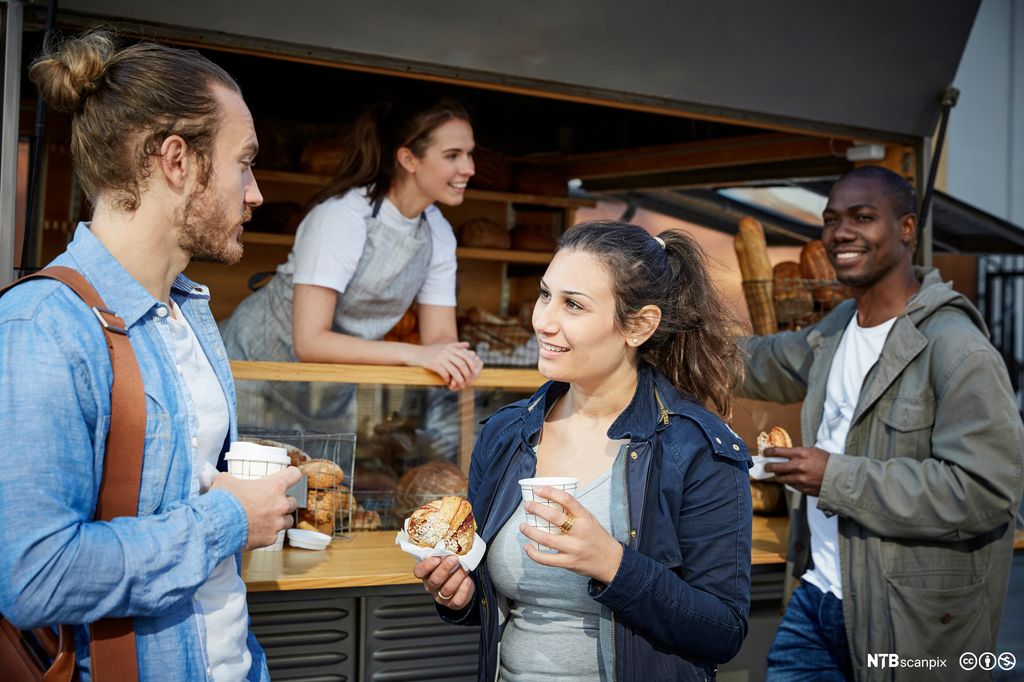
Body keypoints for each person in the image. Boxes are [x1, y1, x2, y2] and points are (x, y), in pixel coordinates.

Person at [0, 31, 302, 681]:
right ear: (176, 162)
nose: (254, 193)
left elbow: (170, 494)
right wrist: (230, 517)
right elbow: (36, 576)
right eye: (242, 162)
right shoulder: (43, 328)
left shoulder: (188, 311)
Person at [414, 220, 754, 681]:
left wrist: (611, 563)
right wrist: (460, 595)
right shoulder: (506, 433)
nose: (543, 320)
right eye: (545, 294)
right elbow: (493, 594)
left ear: (639, 325)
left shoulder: (695, 448)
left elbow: (723, 632)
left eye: (573, 304)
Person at [737, 166, 1024, 681]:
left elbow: (986, 492)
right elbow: (763, 362)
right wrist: (657, 336)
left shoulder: (958, 349)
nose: (840, 232)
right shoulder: (839, 329)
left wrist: (835, 477)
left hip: (910, 626)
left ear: (907, 228)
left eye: (862, 217)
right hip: (817, 599)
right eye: (831, 220)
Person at [220, 98, 483, 432]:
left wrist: (457, 358)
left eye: (469, 153)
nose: (470, 168)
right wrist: (414, 354)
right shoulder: (343, 217)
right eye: (453, 155)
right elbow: (310, 341)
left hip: (328, 390)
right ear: (408, 159)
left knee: (322, 483)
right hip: (253, 371)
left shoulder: (438, 233)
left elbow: (440, 338)